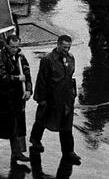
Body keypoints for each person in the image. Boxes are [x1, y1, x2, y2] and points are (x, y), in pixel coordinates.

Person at [30, 35, 80, 165]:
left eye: (68, 47)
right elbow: (42, 80)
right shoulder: (48, 60)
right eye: (64, 47)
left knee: (66, 125)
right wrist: (41, 99)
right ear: (58, 45)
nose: (66, 50)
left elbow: (70, 76)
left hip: (66, 97)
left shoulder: (70, 58)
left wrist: (73, 93)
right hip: (51, 97)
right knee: (43, 118)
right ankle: (35, 139)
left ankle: (68, 151)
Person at [0, 33, 31, 165]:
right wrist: (17, 79)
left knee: (15, 124)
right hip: (0, 96)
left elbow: (26, 73)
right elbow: (2, 75)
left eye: (17, 47)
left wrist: (28, 90)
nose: (15, 49)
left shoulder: (20, 57)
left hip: (15, 97)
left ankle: (16, 152)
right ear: (6, 45)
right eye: (12, 47)